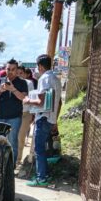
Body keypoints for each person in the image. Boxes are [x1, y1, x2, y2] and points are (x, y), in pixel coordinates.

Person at [23, 54, 62, 187]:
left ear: (40, 66)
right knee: (42, 149)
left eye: (37, 66)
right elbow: (59, 102)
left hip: (43, 118)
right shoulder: (55, 78)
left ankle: (41, 178)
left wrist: (28, 100)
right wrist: (55, 119)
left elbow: (41, 102)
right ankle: (44, 174)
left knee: (39, 149)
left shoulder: (44, 79)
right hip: (50, 118)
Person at [0, 59, 28, 165]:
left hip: (14, 118)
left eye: (13, 69)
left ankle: (11, 166)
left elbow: (23, 97)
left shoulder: (22, 83)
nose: (10, 71)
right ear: (5, 69)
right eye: (8, 69)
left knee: (12, 141)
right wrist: (0, 91)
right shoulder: (0, 81)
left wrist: (13, 89)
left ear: (17, 70)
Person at [16, 65, 35, 167]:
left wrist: (32, 115)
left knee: (21, 138)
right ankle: (13, 159)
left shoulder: (29, 83)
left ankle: (18, 160)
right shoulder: (12, 83)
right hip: (14, 114)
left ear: (25, 74)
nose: (19, 75)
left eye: (21, 73)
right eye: (17, 73)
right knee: (12, 138)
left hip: (25, 114)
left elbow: (32, 99)